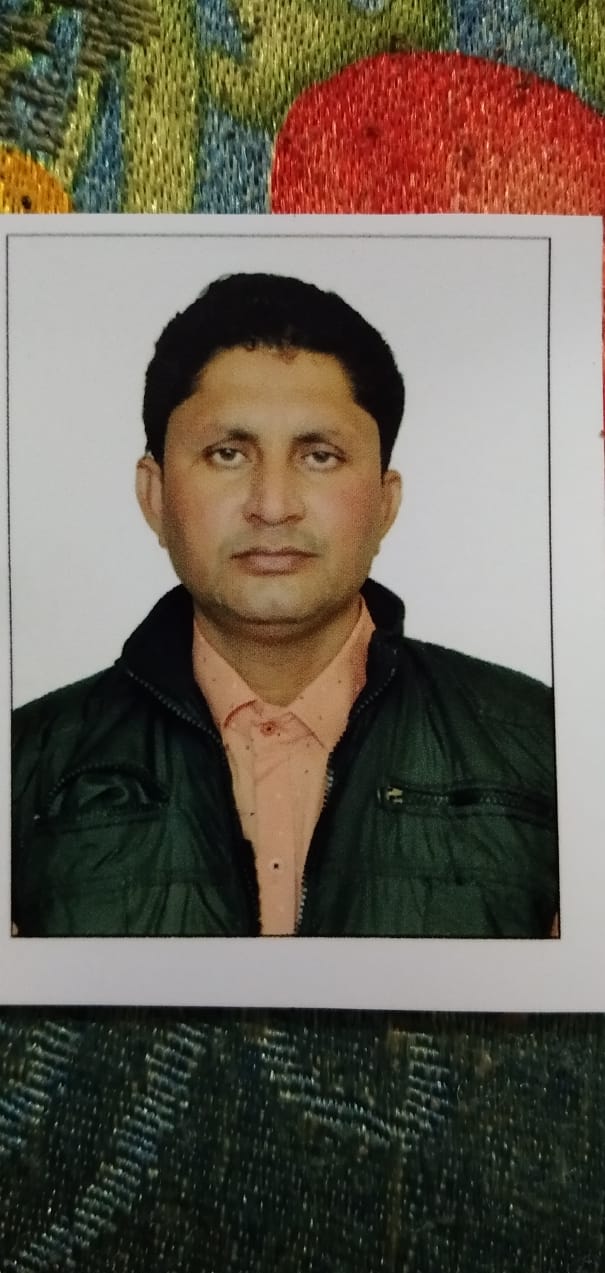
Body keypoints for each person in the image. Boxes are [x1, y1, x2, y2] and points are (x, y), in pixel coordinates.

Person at [11, 273, 559, 939]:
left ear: (384, 504)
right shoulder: (24, 765)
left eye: (320, 456)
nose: (272, 505)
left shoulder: (549, 748)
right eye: (228, 454)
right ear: (154, 496)